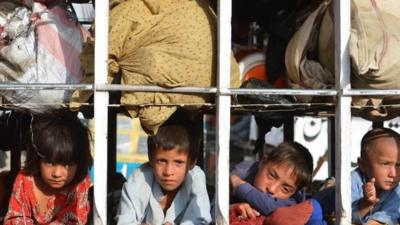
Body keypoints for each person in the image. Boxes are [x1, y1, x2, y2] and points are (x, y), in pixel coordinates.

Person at [3, 112, 93, 225]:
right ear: (37, 159)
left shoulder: (79, 184)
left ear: (79, 164)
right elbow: (15, 218)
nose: (57, 173)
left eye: (67, 165)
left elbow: (75, 221)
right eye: (49, 163)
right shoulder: (24, 180)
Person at [116, 120, 212, 225]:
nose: (168, 172)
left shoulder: (195, 177)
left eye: (178, 162)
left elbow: (200, 219)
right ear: (151, 158)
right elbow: (124, 220)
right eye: (162, 161)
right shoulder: (140, 177)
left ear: (192, 162)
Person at [229, 142, 315, 219]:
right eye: (271, 175)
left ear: (294, 193)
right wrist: (230, 208)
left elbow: (270, 207)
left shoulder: (294, 203)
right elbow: (216, 207)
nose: (272, 189)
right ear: (262, 162)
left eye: (285, 189)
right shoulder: (242, 172)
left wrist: (239, 186)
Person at [351, 128, 400, 225]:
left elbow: (387, 218)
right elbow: (345, 217)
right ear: (362, 164)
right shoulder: (351, 181)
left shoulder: (396, 189)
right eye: (385, 164)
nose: (393, 174)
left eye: (398, 165)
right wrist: (365, 204)